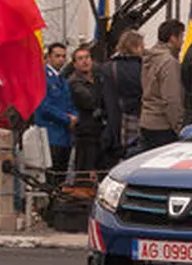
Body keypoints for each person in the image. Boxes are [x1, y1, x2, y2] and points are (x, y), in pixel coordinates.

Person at [99, 30, 144, 166]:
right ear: (135, 46)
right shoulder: (142, 68)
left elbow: (100, 98)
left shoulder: (107, 68)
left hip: (114, 124)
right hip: (138, 120)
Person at [35, 43, 77, 185]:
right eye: (57, 56)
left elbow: (69, 103)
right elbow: (43, 106)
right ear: (48, 58)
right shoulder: (42, 77)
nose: (61, 59)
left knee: (61, 175)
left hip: (64, 135)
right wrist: (66, 118)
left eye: (64, 56)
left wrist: (74, 116)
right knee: (51, 175)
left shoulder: (63, 80)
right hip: (50, 134)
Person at [141, 19, 186, 150]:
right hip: (163, 126)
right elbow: (171, 99)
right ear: (173, 38)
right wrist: (179, 128)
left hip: (146, 121)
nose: (183, 41)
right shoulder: (169, 63)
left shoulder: (149, 58)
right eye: (181, 37)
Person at [68, 45, 105, 181]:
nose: (85, 61)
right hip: (85, 132)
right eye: (80, 59)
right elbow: (90, 101)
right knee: (85, 172)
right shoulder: (74, 82)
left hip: (99, 130)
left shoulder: (98, 77)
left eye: (87, 58)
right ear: (75, 63)